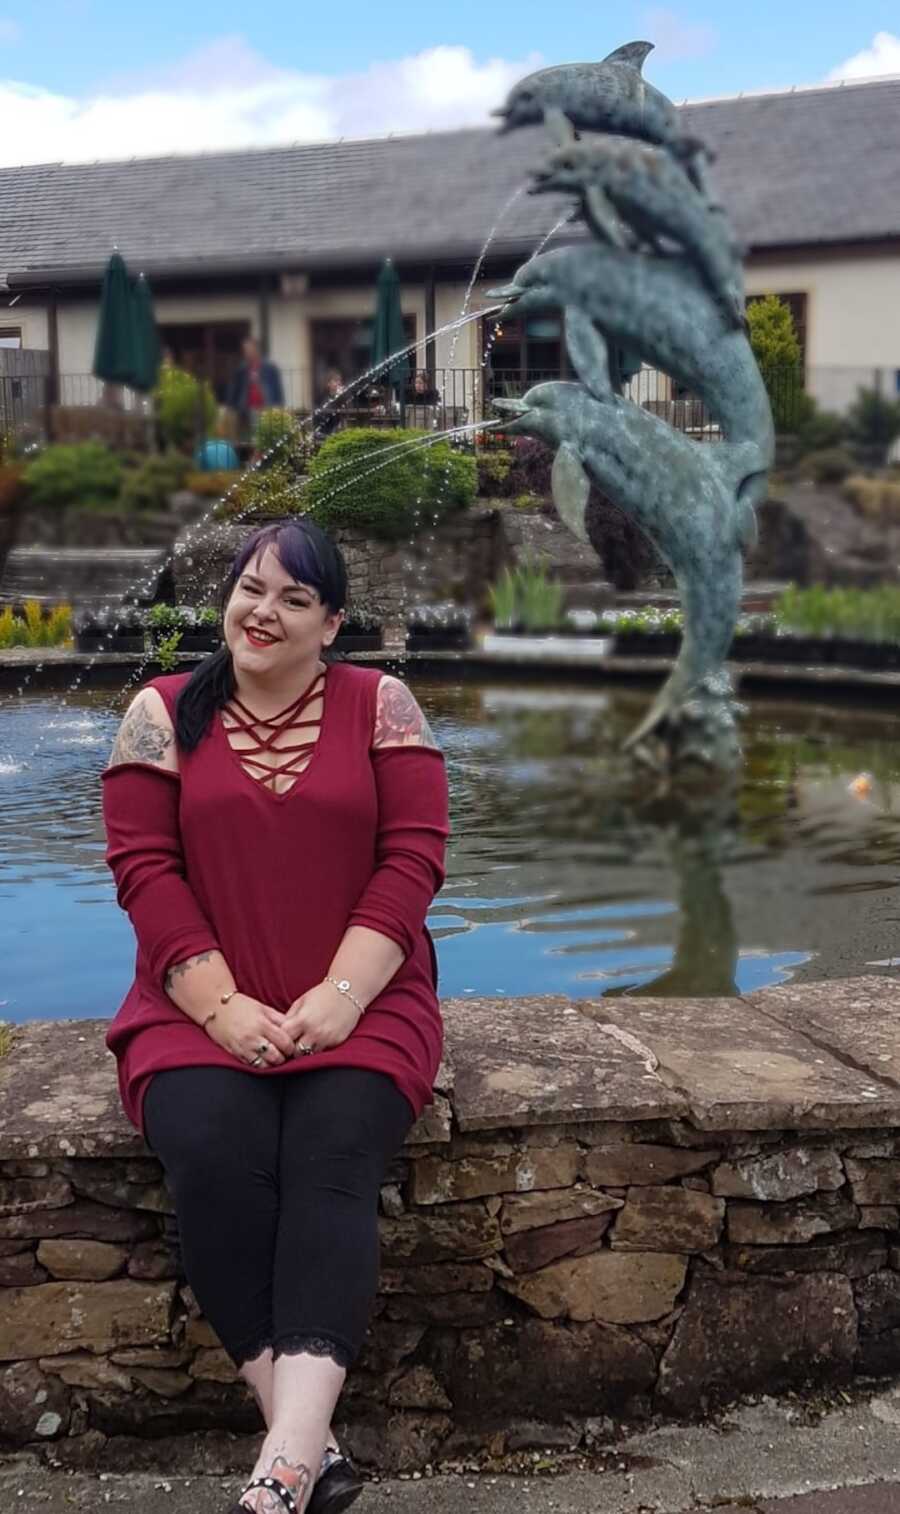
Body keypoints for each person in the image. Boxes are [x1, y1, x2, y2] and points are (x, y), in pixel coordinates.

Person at [101, 518, 449, 1514]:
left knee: (335, 1148)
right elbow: (145, 871)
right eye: (252, 588)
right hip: (191, 1001)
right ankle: (309, 1451)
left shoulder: (381, 704)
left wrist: (340, 997)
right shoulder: (161, 712)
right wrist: (220, 1006)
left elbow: (413, 859)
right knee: (211, 1148)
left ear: (331, 622)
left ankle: (282, 1467)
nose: (265, 610)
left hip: (368, 995)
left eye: (295, 598)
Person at [229, 338, 285, 439]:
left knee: (265, 436)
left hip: (266, 408)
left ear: (256, 350)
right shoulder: (242, 369)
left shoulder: (270, 367)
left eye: (249, 349)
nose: (246, 352)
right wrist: (233, 406)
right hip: (247, 410)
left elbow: (277, 388)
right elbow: (235, 388)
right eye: (245, 349)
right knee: (249, 437)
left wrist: (279, 406)